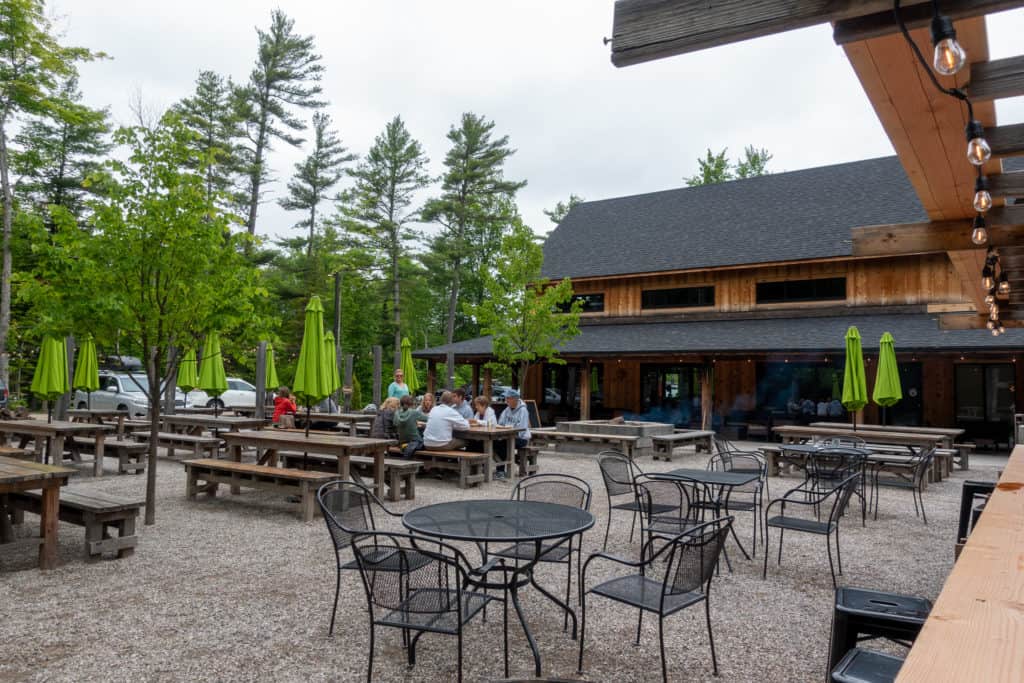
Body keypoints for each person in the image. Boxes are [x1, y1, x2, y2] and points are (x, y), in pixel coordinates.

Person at [495, 389, 530, 478]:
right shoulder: (507, 409)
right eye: (506, 398)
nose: (506, 400)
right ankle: (501, 469)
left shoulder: (523, 411)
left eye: (508, 398)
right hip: (508, 436)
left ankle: (501, 471)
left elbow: (522, 429)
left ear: (515, 399)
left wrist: (509, 431)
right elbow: (500, 423)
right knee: (496, 442)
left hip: (521, 438)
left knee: (502, 443)